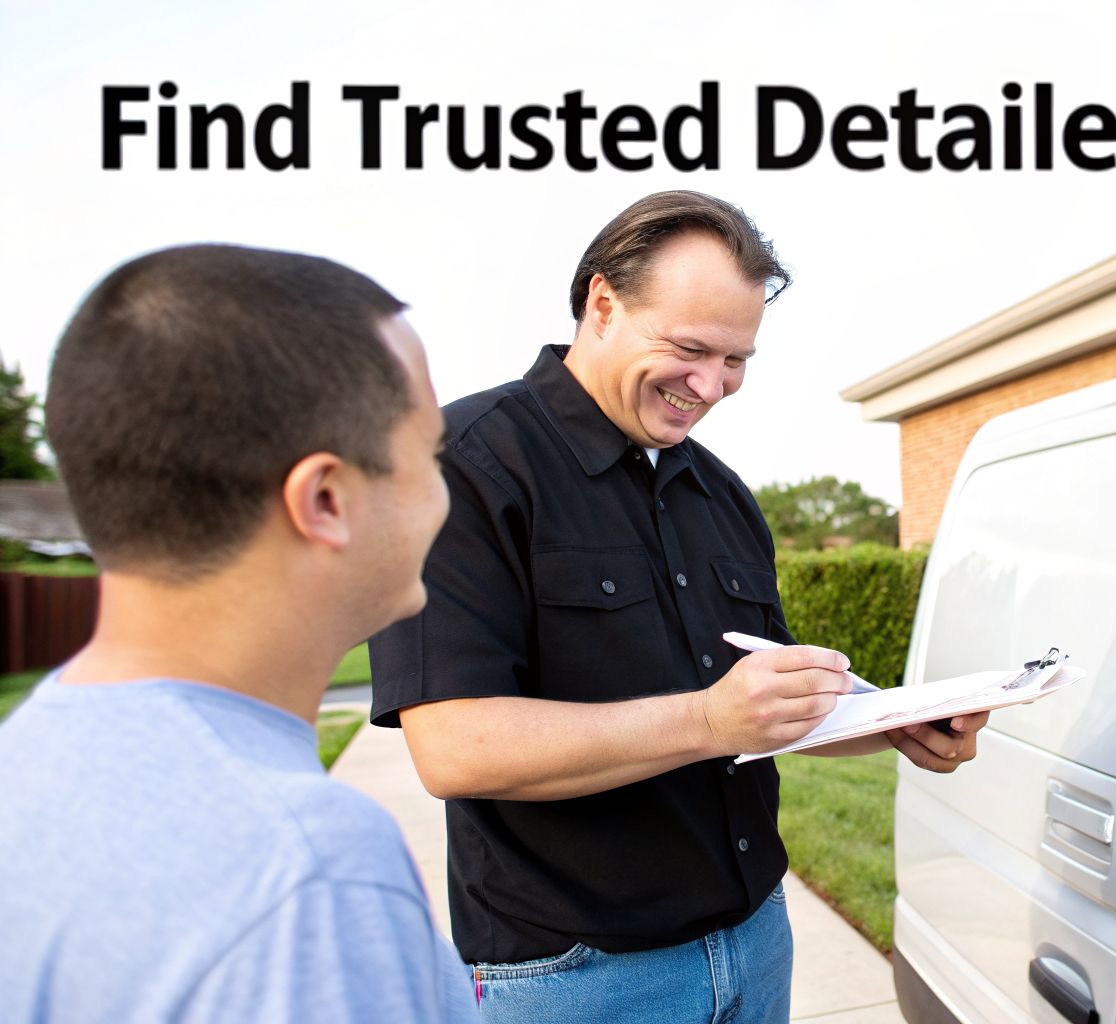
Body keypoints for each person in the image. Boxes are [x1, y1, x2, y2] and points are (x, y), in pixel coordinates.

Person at [368, 190, 987, 1022]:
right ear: (602, 304)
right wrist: (710, 721)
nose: (713, 385)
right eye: (691, 348)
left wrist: (895, 723)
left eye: (737, 360)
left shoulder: (720, 493)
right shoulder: (466, 468)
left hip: (755, 940)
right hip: (576, 976)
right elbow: (455, 748)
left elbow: (763, 708)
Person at [0, 245, 479, 1023]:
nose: (444, 495)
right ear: (325, 499)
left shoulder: (29, 760)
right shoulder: (310, 872)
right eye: (429, 456)